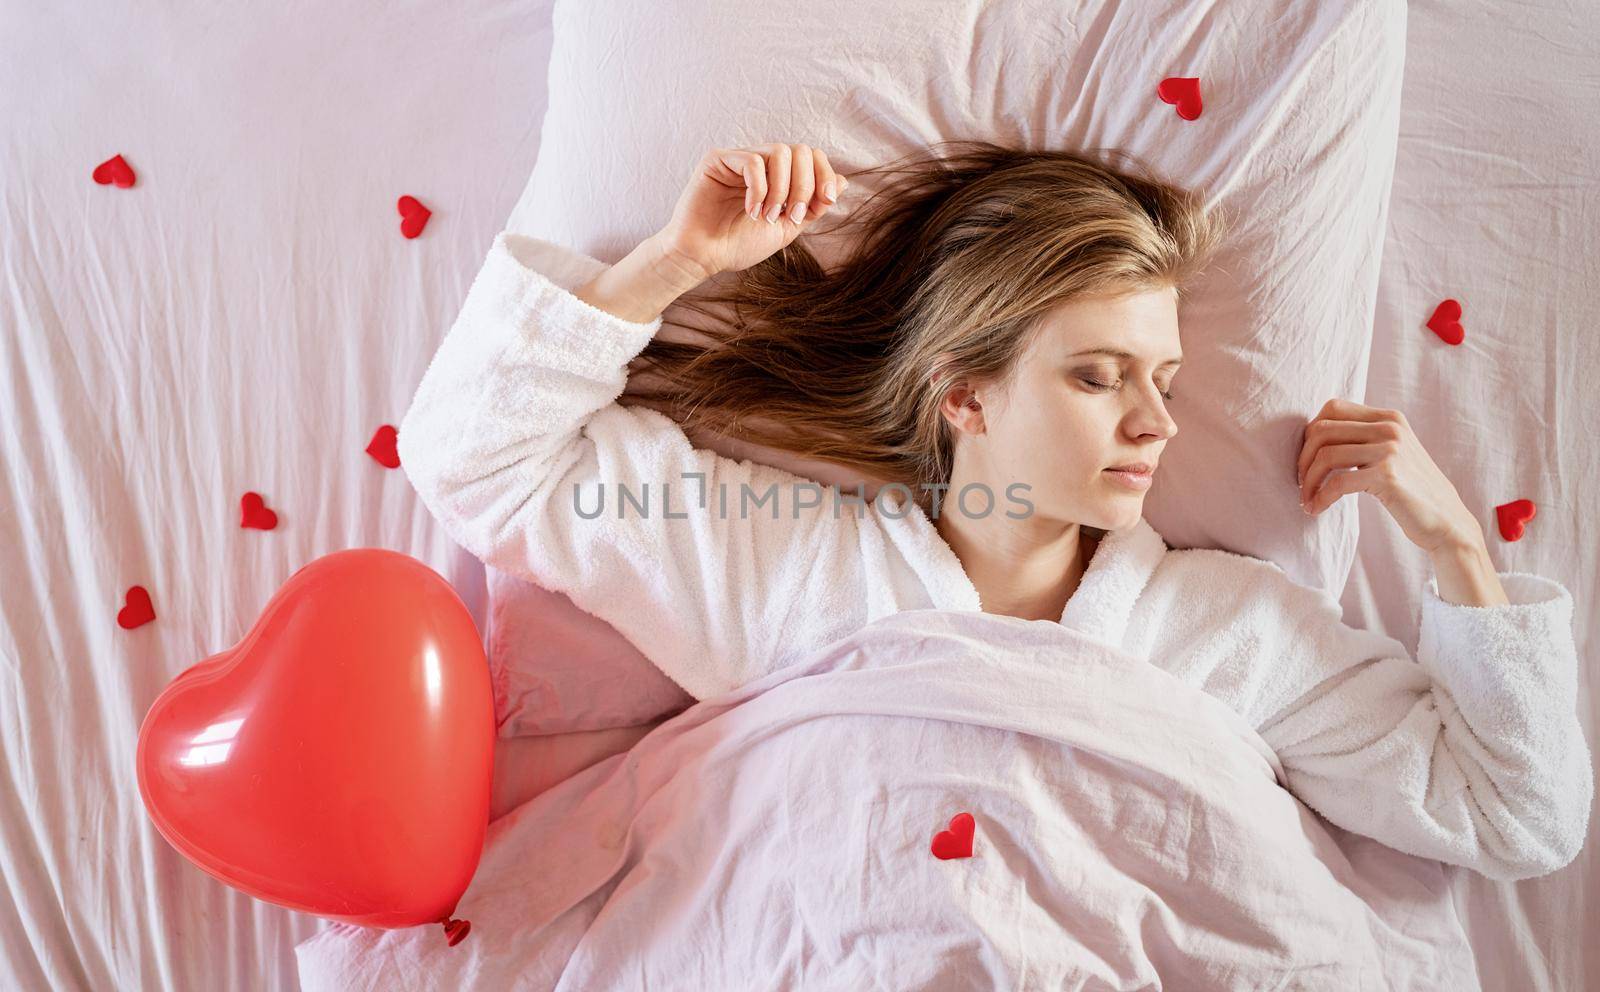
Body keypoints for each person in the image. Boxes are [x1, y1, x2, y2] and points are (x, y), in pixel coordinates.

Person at [397, 140, 1590, 881]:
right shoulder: (781, 564)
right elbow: (475, 457)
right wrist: (670, 263)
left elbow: (1515, 815)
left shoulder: (1225, 627)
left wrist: (1452, 546)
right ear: (963, 393)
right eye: (1096, 374)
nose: (1155, 423)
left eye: (1162, 380)